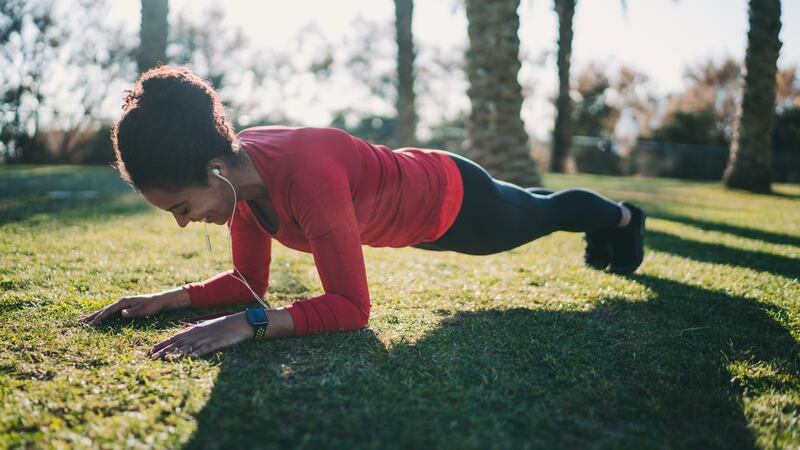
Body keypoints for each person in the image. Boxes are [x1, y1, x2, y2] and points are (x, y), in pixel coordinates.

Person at [79, 65, 646, 360]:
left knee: (541, 213)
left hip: (454, 202)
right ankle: (616, 222)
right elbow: (249, 283)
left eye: (182, 207)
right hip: (414, 216)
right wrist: (166, 300)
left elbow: (352, 308)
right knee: (538, 205)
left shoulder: (307, 177)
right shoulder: (241, 184)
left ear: (214, 170)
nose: (183, 221)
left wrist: (249, 325)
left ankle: (624, 219)